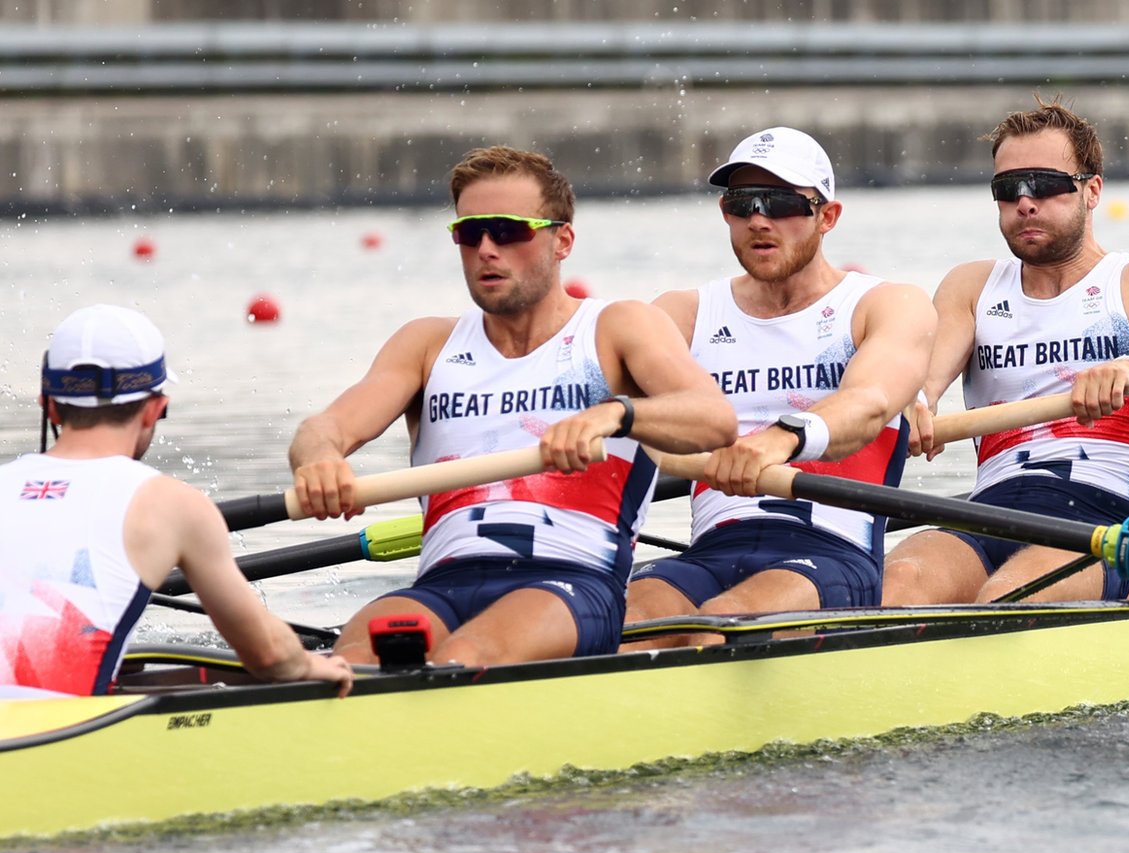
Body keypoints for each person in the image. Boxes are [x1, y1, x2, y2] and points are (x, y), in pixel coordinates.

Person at [290, 146, 736, 666]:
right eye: (469, 232)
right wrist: (320, 460)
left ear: (562, 240)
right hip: (442, 585)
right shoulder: (426, 345)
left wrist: (617, 414)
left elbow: (715, 419)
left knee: (466, 654)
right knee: (355, 653)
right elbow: (325, 427)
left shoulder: (617, 328)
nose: (485, 249)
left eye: (507, 231)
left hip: (569, 585)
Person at [881, 97, 1129, 604]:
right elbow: (920, 381)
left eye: (1046, 185)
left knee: (1005, 597)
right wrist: (912, 402)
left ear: (1092, 191)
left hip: (1104, 522)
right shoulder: (971, 287)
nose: (1026, 202)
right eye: (1009, 190)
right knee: (896, 583)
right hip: (988, 512)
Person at [625, 128, 934, 643]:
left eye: (783, 203)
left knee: (714, 628)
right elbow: (600, 412)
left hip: (830, 555)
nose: (759, 220)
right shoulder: (681, 314)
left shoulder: (883, 305)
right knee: (628, 621)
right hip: (710, 550)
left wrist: (780, 438)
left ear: (827, 216)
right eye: (742, 203)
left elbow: (869, 402)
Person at [0, 305, 353, 698]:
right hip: (49, 741)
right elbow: (269, 655)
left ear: (48, 405)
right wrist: (312, 664)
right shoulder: (173, 504)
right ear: (154, 410)